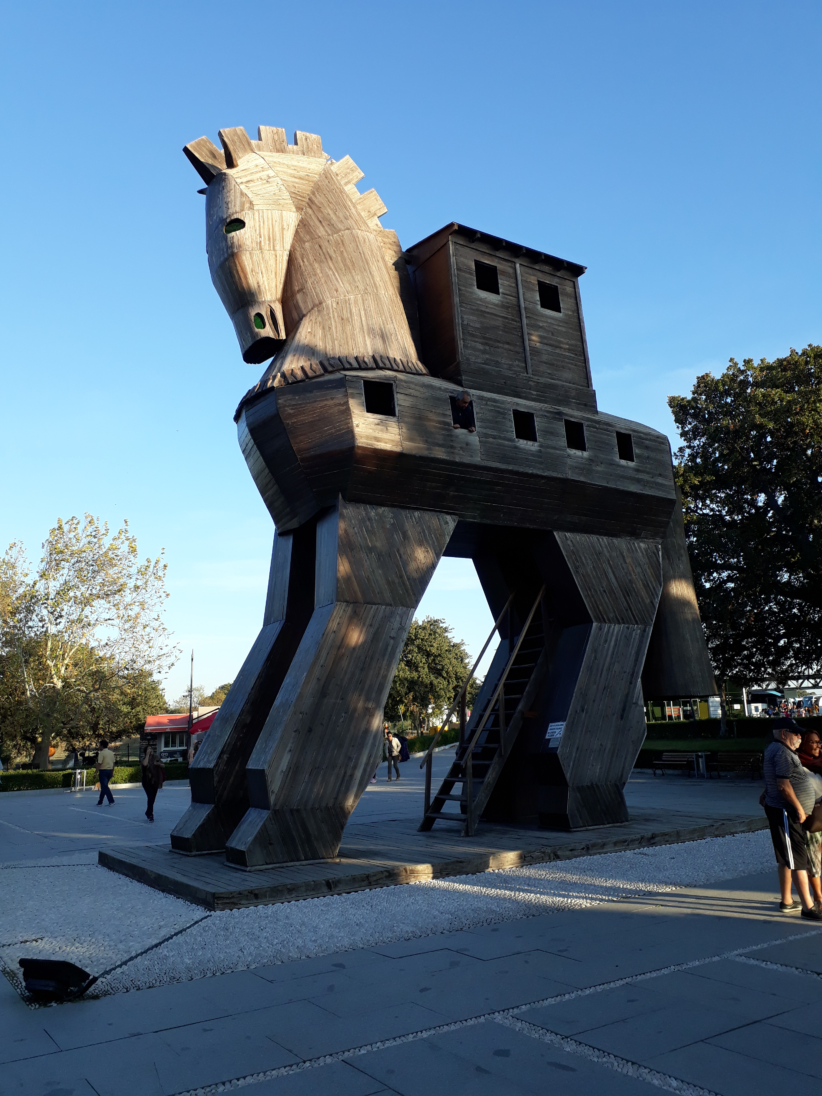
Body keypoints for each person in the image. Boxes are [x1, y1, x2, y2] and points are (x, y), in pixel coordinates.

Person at [762, 718, 822, 918]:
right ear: (782, 733)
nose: (799, 736)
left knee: (786, 858)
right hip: (786, 811)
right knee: (797, 858)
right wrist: (799, 808)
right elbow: (783, 785)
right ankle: (808, 907)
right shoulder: (782, 752)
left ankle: (787, 900)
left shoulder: (776, 750)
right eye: (795, 733)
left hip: (781, 809)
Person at [140, 743, 165, 822]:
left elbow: (163, 765)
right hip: (147, 781)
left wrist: (157, 764)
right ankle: (150, 814)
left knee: (153, 798)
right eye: (148, 749)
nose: (150, 750)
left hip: (156, 780)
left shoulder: (156, 757)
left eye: (151, 749)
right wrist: (147, 755)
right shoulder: (143, 758)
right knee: (150, 797)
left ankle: (148, 812)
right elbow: (145, 764)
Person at [95, 739, 115, 806]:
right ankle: (100, 801)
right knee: (104, 787)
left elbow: (99, 764)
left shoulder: (101, 753)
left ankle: (111, 800)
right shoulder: (111, 753)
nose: (99, 747)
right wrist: (112, 772)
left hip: (103, 771)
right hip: (109, 771)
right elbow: (113, 763)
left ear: (102, 746)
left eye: (99, 745)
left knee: (104, 787)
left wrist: (95, 772)